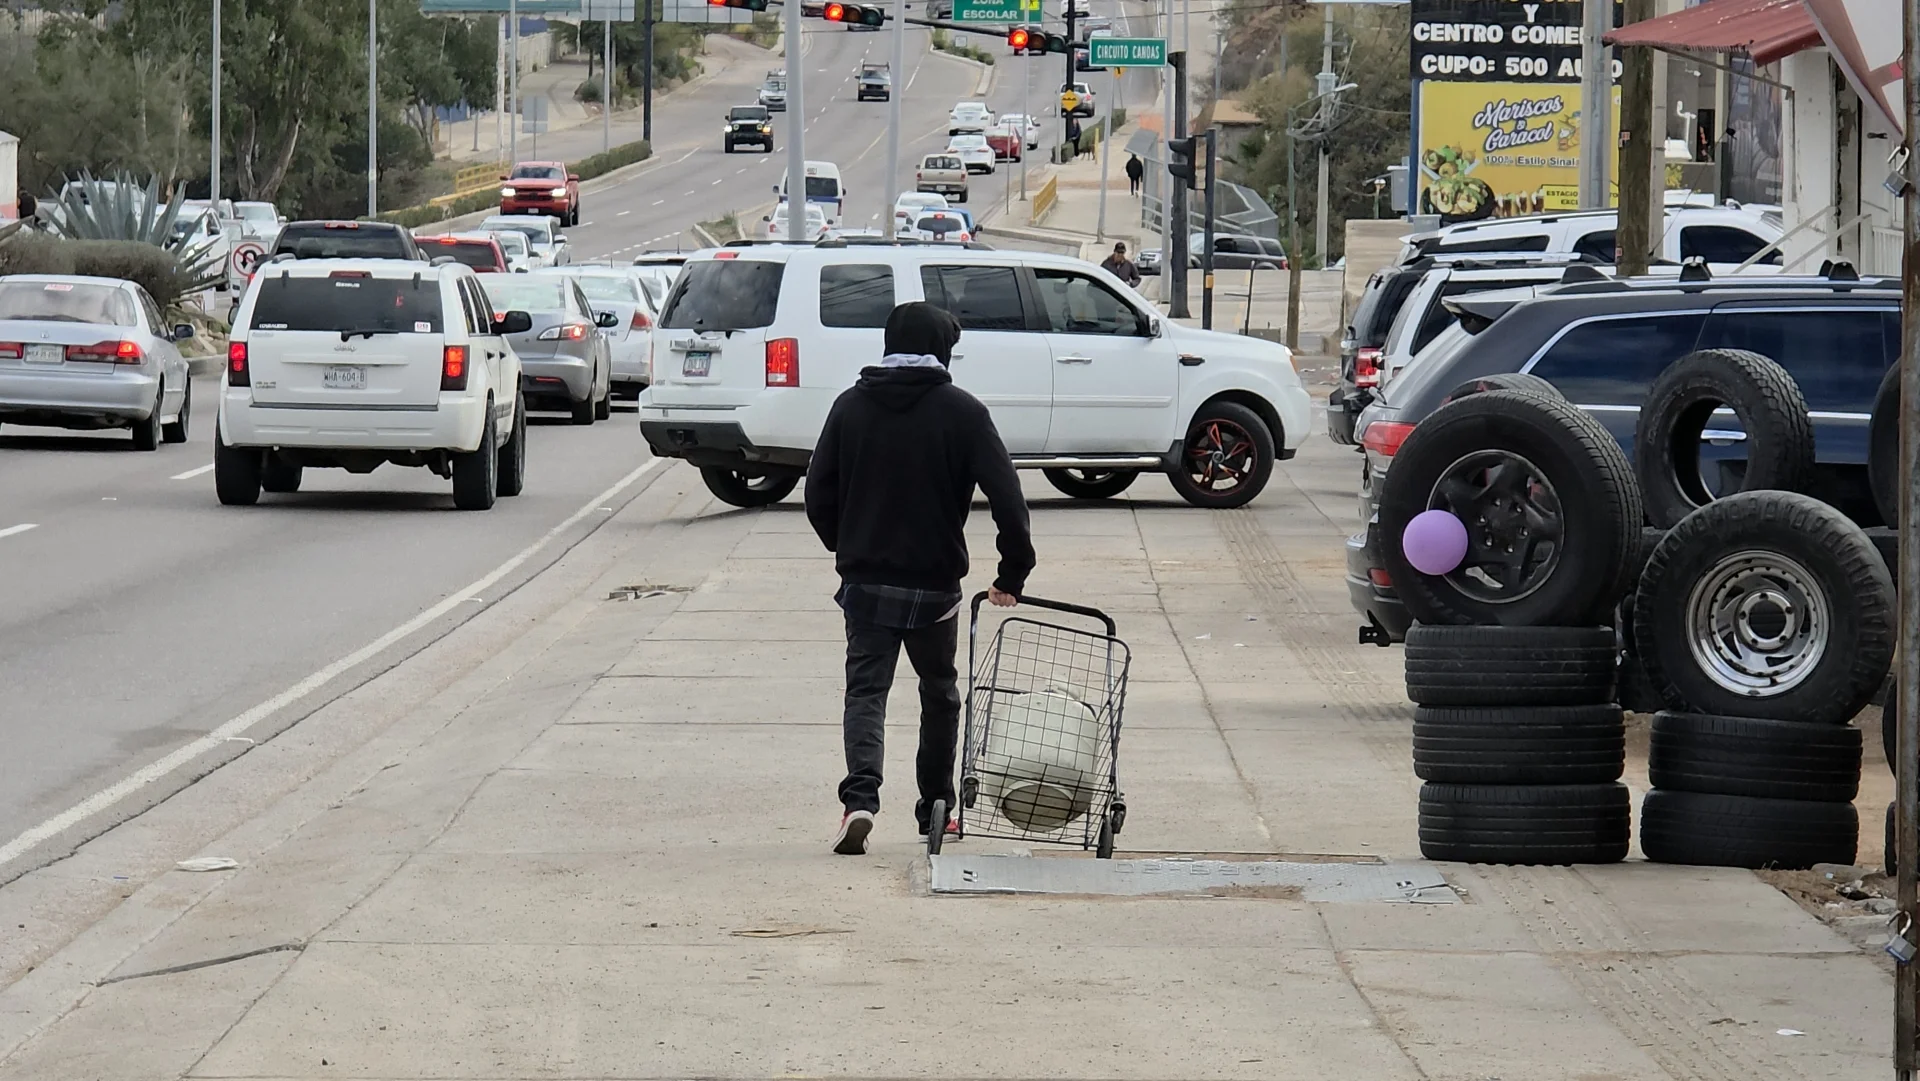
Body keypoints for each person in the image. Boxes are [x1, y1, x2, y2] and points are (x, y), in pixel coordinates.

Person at [805, 301, 1036, 856]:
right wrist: (1012, 572)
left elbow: (817, 494)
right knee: (939, 693)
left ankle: (859, 799)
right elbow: (1009, 498)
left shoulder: (850, 407)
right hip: (935, 589)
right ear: (943, 351)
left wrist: (849, 545)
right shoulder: (963, 412)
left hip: (866, 585)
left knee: (866, 691)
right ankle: (937, 806)